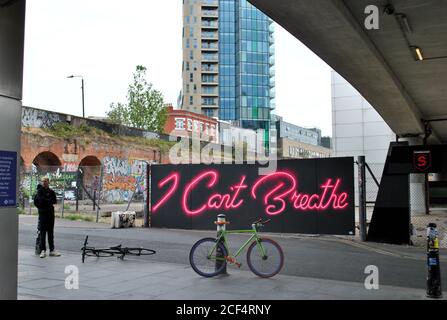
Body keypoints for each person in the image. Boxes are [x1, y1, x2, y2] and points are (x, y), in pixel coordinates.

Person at [34, 177, 61, 258]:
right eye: (43, 181)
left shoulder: (51, 191)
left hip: (50, 214)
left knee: (50, 232)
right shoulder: (39, 191)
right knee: (42, 233)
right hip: (42, 214)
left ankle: (52, 250)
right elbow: (40, 201)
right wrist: (48, 201)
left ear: (48, 182)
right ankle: (43, 250)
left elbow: (54, 201)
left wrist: (46, 201)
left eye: (46, 181)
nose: (44, 182)